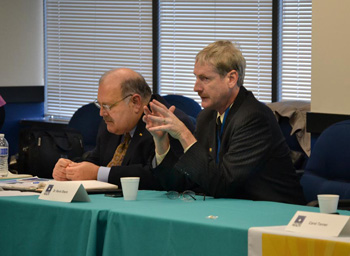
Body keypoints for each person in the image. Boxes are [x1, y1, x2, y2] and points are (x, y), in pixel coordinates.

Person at [143, 40, 306, 204]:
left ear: (231, 78)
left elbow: (223, 185)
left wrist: (183, 133)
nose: (196, 87)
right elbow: (187, 182)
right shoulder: (207, 116)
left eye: (205, 78)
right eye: (196, 78)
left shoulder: (254, 118)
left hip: (275, 215)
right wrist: (161, 142)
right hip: (232, 209)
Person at [52, 68, 195, 190]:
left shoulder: (168, 123)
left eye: (107, 106)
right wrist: (70, 167)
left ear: (135, 102)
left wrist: (98, 173)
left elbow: (154, 177)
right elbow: (96, 159)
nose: (101, 113)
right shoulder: (113, 123)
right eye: (100, 105)